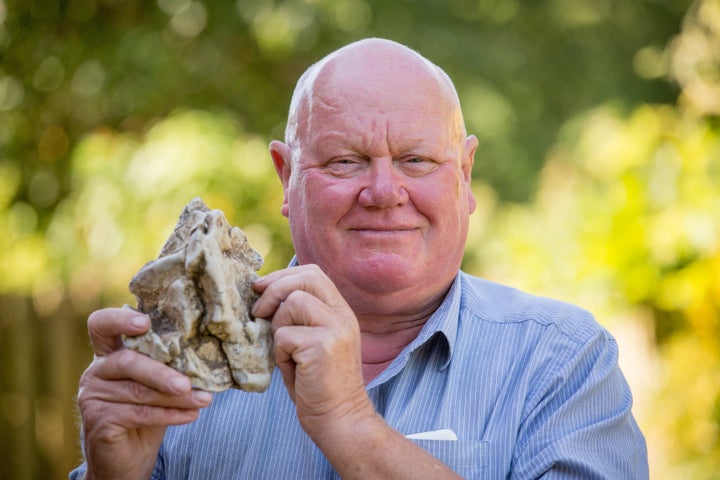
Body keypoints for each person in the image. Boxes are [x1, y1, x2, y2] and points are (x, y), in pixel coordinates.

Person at [70, 38, 648, 479]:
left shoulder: (561, 361)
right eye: (345, 161)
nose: (384, 191)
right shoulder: (179, 360)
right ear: (286, 174)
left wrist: (350, 423)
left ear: (466, 175)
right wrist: (113, 473)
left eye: (417, 160)